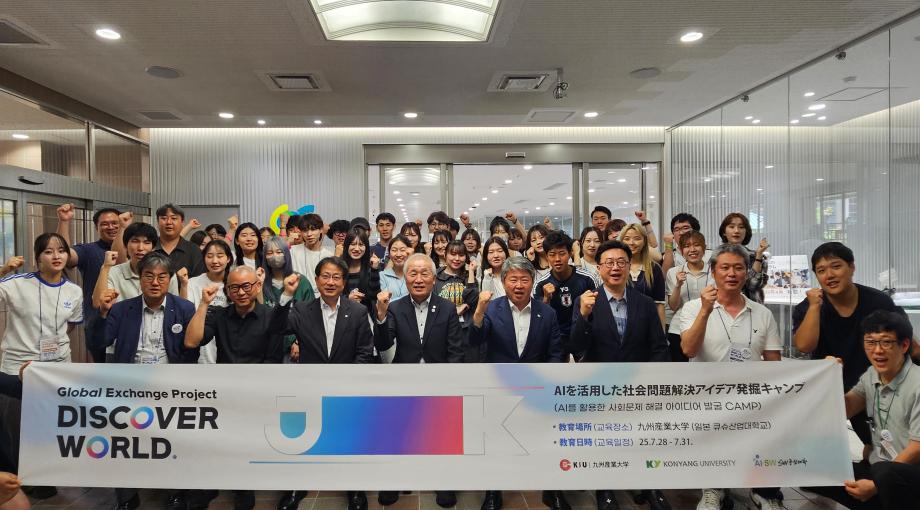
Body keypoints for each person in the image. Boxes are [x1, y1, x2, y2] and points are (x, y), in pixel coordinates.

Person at [678, 243, 784, 510]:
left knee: (763, 439)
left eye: (738, 268)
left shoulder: (762, 313)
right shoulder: (692, 308)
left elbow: (774, 363)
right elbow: (688, 349)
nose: (732, 274)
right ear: (713, 271)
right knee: (713, 444)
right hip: (707, 397)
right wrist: (705, 310)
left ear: (747, 272)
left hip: (750, 397)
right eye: (724, 267)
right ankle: (713, 488)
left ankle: (763, 491)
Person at [566, 240, 670, 510]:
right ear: (599, 268)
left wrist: (651, 381)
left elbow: (659, 347)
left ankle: (651, 486)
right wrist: (584, 315)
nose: (615, 268)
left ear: (629, 266)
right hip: (601, 387)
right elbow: (576, 346)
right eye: (609, 263)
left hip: (638, 386)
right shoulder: (587, 301)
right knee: (605, 440)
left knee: (643, 439)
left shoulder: (645, 303)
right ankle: (605, 488)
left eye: (621, 262)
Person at [91, 252, 198, 510]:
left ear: (170, 279)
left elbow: (191, 351)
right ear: (140, 279)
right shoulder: (121, 309)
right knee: (124, 441)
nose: (155, 282)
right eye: (149, 276)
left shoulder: (184, 308)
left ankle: (175, 492)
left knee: (173, 439)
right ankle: (127, 496)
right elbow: (98, 342)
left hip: (170, 385)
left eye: (162, 277)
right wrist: (102, 314)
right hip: (129, 384)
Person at [185, 266, 297, 510]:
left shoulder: (270, 316)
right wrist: (203, 304)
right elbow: (192, 341)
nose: (241, 292)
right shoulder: (219, 314)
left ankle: (244, 487)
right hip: (224, 392)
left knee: (247, 442)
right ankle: (212, 485)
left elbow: (272, 360)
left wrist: (250, 388)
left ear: (257, 287)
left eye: (246, 286)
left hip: (258, 391)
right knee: (217, 442)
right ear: (227, 291)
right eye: (234, 287)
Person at [793, 242, 912, 449]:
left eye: (836, 266)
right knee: (821, 448)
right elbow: (804, 346)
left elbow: (905, 340)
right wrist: (814, 307)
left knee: (884, 447)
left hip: (877, 386)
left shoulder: (878, 301)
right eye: (821, 271)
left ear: (852, 267)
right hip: (832, 389)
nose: (829, 275)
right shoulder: (808, 307)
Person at [278, 257, 373, 510]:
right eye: (325, 276)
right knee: (302, 438)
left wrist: (348, 382)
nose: (330, 282)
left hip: (347, 387)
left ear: (344, 282)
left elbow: (365, 352)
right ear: (317, 280)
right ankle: (297, 486)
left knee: (350, 439)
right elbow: (277, 328)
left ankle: (355, 488)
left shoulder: (358, 312)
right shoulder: (301, 309)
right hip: (310, 386)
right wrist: (286, 296)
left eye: (336, 277)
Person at [470, 256, 565, 510]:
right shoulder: (491, 308)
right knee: (494, 439)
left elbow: (555, 352)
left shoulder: (547, 313)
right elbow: (475, 340)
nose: (519, 285)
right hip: (499, 386)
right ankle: (493, 490)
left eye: (524, 279)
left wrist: (548, 385)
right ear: (504, 282)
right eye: (513, 279)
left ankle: (552, 490)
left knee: (547, 439)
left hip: (536, 387)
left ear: (533, 282)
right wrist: (478, 312)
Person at [372, 253, 464, 508]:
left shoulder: (447, 308)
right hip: (404, 381)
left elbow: (455, 350)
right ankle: (395, 479)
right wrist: (381, 317)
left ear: (434, 279)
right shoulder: (394, 307)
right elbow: (383, 346)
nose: (419, 279)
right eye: (413, 273)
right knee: (398, 434)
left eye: (425, 274)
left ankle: (443, 482)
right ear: (405, 278)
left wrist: (451, 387)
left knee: (442, 435)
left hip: (439, 382)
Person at [807, 311, 920, 509]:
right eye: (870, 342)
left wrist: (875, 486)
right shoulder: (872, 374)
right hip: (878, 468)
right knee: (813, 465)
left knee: (885, 473)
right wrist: (830, 379)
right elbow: (846, 409)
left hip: (908, 474)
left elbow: (917, 447)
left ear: (904, 345)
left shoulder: (917, 383)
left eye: (886, 342)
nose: (877, 350)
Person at [56, 203, 130, 362]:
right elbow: (66, 257)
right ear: (96, 227)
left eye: (115, 223)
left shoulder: (135, 250)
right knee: (102, 371)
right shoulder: (88, 250)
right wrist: (64, 221)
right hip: (98, 322)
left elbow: (120, 259)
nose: (111, 227)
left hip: (128, 323)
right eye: (104, 224)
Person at [0, 234, 82, 374]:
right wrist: (4, 270)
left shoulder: (74, 291)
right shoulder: (17, 283)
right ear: (38, 257)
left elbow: (70, 324)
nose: (56, 256)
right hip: (18, 365)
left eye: (61, 251)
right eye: (48, 252)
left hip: (60, 364)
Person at [533, 232, 597, 357]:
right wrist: (546, 299)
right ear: (546, 256)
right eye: (552, 254)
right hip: (556, 336)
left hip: (583, 332)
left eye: (562, 253)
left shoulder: (587, 278)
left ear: (570, 253)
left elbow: (597, 312)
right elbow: (539, 318)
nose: (557, 259)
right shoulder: (541, 283)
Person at [262, 236, 315, 363]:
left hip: (294, 348)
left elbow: (311, 316)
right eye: (269, 253)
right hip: (266, 346)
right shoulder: (260, 282)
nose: (274, 256)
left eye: (279, 252)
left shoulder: (300, 281)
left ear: (286, 254)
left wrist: (298, 341)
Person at [665, 230, 710, 362]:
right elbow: (673, 307)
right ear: (681, 250)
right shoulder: (673, 272)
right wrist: (678, 285)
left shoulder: (715, 271)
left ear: (704, 247)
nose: (692, 249)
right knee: (681, 371)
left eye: (696, 245)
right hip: (678, 329)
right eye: (687, 246)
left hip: (710, 327)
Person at [187, 240, 233, 364]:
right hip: (201, 351)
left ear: (228, 259)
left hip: (228, 351)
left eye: (220, 256)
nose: (214, 261)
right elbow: (187, 316)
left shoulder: (235, 284)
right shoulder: (192, 283)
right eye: (209, 256)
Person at [435, 241, 479, 362]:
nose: (457, 258)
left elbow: (472, 300)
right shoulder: (436, 277)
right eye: (453, 254)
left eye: (461, 255)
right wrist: (454, 312)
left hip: (466, 331)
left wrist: (471, 272)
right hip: (443, 331)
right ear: (445, 255)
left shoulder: (469, 277)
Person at [618, 223, 666, 329]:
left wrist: (662, 334)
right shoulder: (616, 267)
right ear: (621, 241)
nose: (632, 243)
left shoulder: (654, 268)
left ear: (644, 241)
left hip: (647, 326)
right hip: (620, 325)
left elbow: (659, 305)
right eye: (627, 239)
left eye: (637, 238)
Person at [718, 212, 769, 303]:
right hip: (722, 306)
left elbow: (753, 285)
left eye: (741, 227)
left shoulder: (756, 257)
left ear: (746, 232)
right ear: (724, 232)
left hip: (752, 308)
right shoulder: (716, 257)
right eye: (731, 226)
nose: (736, 231)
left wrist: (758, 256)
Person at [154, 203, 204, 277]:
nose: (169, 222)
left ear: (182, 223)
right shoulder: (150, 248)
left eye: (174, 218)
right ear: (157, 223)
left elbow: (200, 280)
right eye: (164, 218)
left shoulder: (194, 250)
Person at [291, 213, 333, 295]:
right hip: (297, 297)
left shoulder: (328, 256)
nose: (309, 234)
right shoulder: (292, 251)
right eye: (305, 230)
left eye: (313, 229)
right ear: (301, 232)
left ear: (321, 230)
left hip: (320, 298)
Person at [342, 229, 381, 316]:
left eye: (361, 244)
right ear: (347, 246)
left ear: (366, 247)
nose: (357, 249)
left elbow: (375, 296)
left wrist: (374, 270)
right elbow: (333, 295)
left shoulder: (371, 267)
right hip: (343, 314)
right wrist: (347, 299)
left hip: (366, 316)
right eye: (353, 244)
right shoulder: (339, 267)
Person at [379, 235, 412, 301]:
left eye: (402, 250)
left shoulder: (414, 275)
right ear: (389, 253)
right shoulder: (382, 275)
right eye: (394, 250)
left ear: (409, 252)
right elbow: (383, 301)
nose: (398, 254)